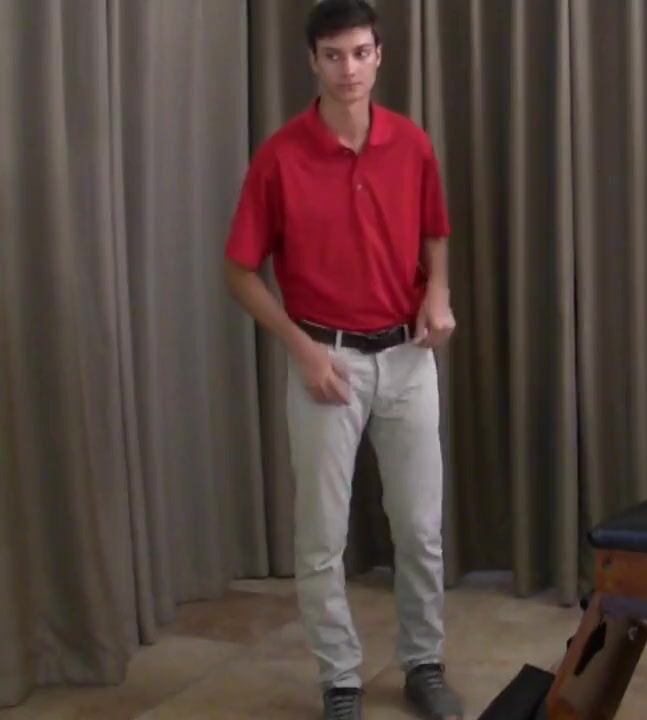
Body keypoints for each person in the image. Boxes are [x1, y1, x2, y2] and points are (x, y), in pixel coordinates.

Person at [222, 1, 462, 718]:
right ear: (313, 62)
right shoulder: (280, 156)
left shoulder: (412, 145)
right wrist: (301, 349)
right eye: (333, 55)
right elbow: (238, 270)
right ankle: (341, 681)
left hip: (408, 359)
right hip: (325, 363)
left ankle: (424, 663)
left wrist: (438, 293)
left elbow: (435, 231)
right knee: (321, 538)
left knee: (420, 529)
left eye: (360, 53)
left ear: (379, 55)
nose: (348, 69)